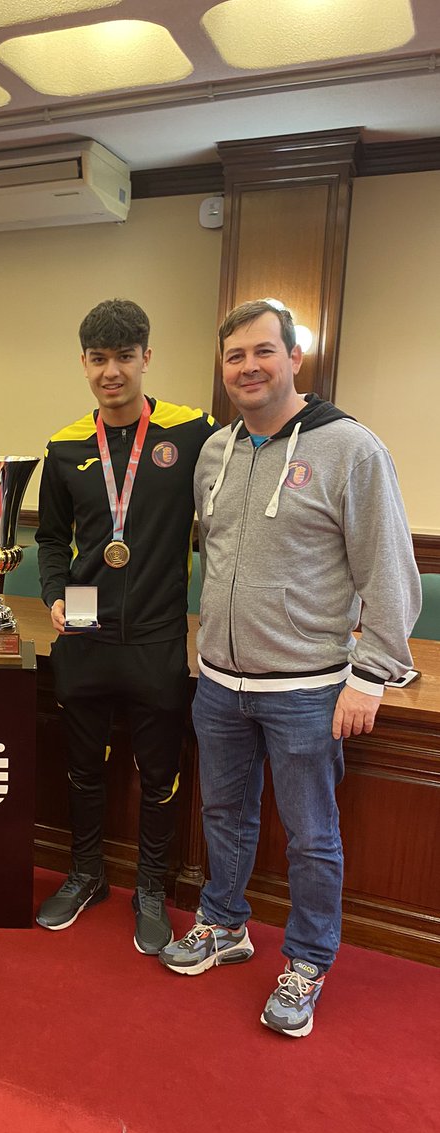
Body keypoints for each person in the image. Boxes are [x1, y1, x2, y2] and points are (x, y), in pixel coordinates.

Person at [159, 299, 421, 1037]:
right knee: (222, 817)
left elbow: (391, 573)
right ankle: (225, 924)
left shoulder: (350, 449)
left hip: (308, 692)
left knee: (311, 836)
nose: (248, 367)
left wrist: (370, 675)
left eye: (262, 352)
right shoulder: (216, 450)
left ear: (295, 357)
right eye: (235, 356)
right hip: (218, 684)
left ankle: (307, 961)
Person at [35, 298, 217, 952]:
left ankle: (149, 887)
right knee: (83, 769)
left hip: (156, 639)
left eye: (124, 357)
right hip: (82, 632)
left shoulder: (194, 433)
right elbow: (52, 539)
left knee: (158, 773)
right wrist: (53, 592)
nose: (112, 371)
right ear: (84, 363)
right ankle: (85, 874)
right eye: (98, 358)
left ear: (147, 357)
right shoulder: (64, 446)